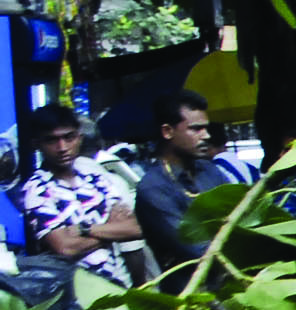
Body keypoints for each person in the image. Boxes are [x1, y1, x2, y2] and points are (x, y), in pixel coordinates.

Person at [19, 105, 139, 286]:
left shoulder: (96, 179)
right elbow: (65, 248)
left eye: (69, 137)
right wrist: (111, 229)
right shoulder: (37, 189)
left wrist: (85, 230)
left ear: (79, 138)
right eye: (51, 140)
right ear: (37, 145)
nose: (62, 147)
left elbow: (135, 229)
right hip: (72, 300)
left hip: (117, 286)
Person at [137, 88, 225, 272]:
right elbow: (197, 249)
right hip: (191, 294)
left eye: (206, 128)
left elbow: (244, 216)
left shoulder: (208, 170)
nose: (206, 136)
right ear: (168, 131)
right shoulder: (153, 187)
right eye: (196, 129)